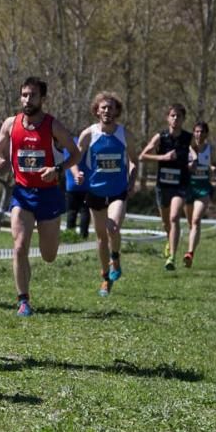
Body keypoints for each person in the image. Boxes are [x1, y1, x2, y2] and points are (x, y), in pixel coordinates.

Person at [0, 77, 81, 316]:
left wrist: (58, 170)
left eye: (33, 95)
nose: (28, 100)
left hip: (49, 194)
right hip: (22, 193)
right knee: (19, 247)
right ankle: (23, 300)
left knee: (48, 255)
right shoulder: (11, 123)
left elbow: (76, 153)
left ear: (42, 99)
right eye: (25, 95)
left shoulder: (53, 126)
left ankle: (48, 242)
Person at [73, 91, 137, 297]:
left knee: (113, 226)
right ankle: (105, 278)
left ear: (117, 111)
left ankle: (115, 257)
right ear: (96, 111)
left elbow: (135, 161)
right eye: (103, 108)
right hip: (95, 191)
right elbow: (74, 158)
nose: (107, 111)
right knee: (101, 237)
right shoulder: (89, 134)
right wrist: (77, 173)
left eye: (111, 107)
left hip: (118, 191)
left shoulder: (124, 134)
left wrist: (132, 181)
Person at [139, 105, 192, 271]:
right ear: (167, 118)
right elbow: (142, 156)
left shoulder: (189, 138)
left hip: (180, 184)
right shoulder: (160, 137)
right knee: (166, 222)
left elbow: (197, 155)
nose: (176, 119)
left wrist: (193, 162)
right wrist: (163, 157)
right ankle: (169, 241)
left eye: (179, 116)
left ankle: (172, 257)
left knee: (175, 217)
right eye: (173, 116)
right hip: (163, 185)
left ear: (183, 119)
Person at [183, 121, 215, 267]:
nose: (199, 134)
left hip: (203, 189)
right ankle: (191, 249)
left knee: (196, 221)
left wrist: (214, 170)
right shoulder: (187, 148)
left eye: (202, 132)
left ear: (206, 134)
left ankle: (190, 253)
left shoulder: (210, 149)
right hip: (189, 188)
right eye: (196, 131)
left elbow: (211, 165)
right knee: (191, 224)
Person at [64, 137, 91, 240]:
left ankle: (70, 235)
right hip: (86, 184)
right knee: (85, 211)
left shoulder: (69, 144)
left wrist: (75, 175)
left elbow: (70, 162)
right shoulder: (89, 145)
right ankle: (83, 236)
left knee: (72, 211)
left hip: (72, 186)